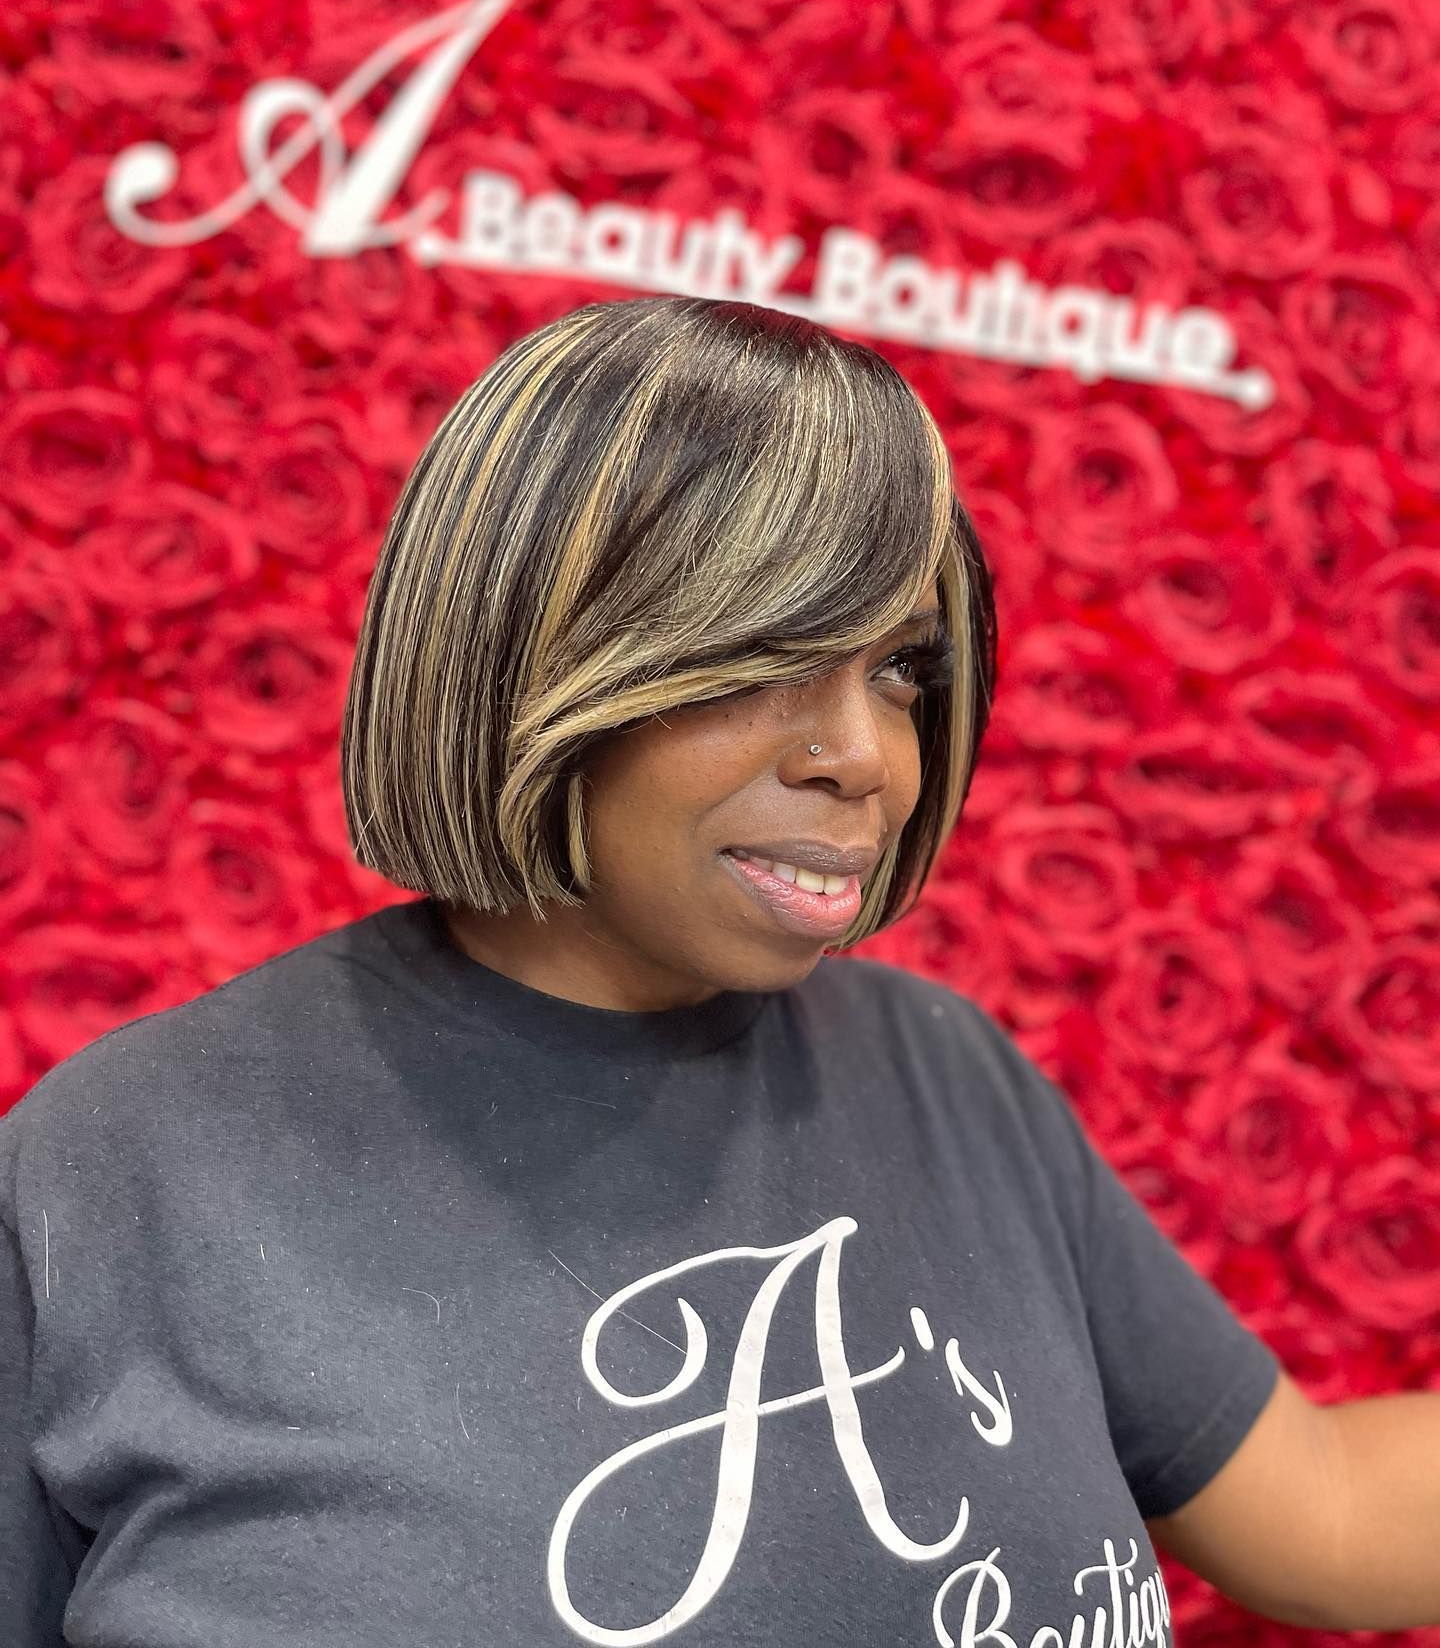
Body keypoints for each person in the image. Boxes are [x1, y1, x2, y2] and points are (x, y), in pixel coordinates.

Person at [0, 296, 1390, 1646]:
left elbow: (1322, 1514)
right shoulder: (117, 1176)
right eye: (766, 656)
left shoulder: (941, 1071)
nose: (867, 758)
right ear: (526, 650)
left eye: (901, 669)